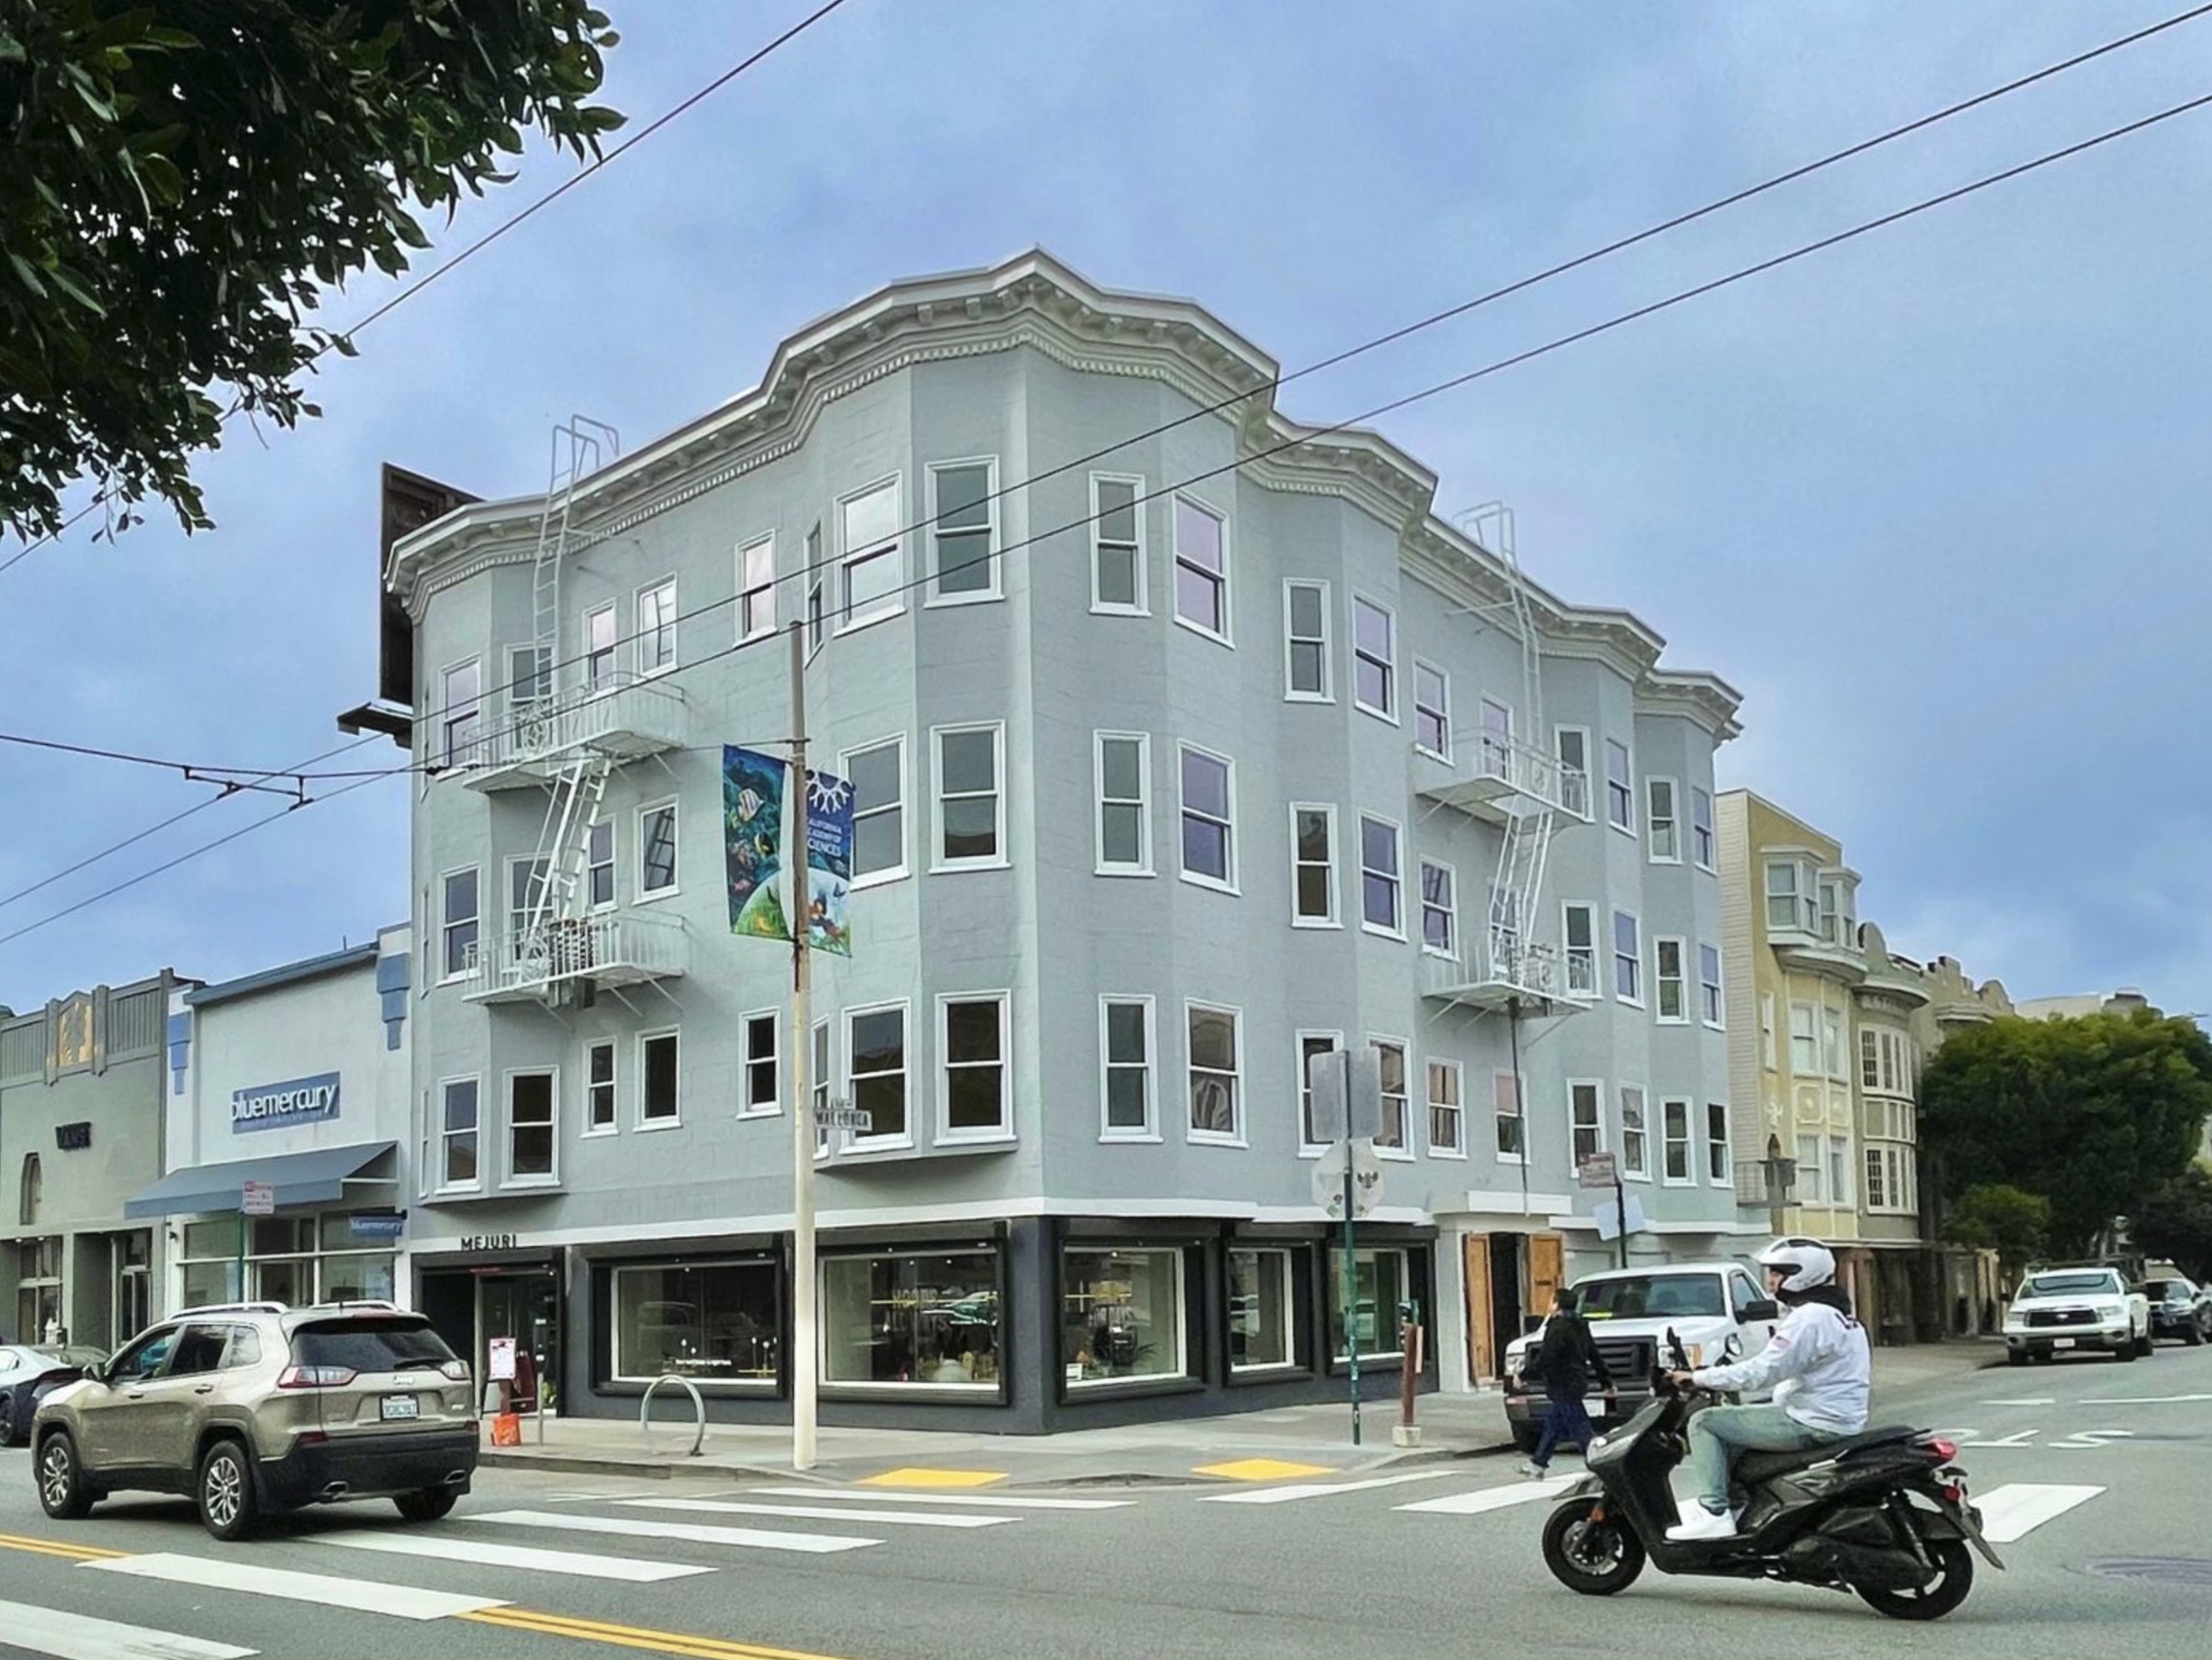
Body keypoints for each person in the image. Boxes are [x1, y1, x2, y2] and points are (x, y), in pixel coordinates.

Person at [1663, 1237, 1871, 1541]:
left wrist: (1699, 1378)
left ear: (1802, 1274)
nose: (1770, 1280)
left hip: (1812, 1422)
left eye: (1777, 1272)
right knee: (1732, 1419)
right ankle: (1738, 1504)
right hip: (1831, 1416)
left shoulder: (1810, 1318)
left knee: (1705, 1423)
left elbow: (1763, 1372)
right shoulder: (1836, 1313)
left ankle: (1715, 1512)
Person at [1516, 1286, 1617, 1478]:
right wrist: (1606, 1382)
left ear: (1557, 1304)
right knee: (1553, 1424)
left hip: (1562, 1383)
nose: (1549, 1304)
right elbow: (1594, 1355)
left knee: (1581, 1428)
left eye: (1551, 1300)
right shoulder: (1580, 1326)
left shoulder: (1558, 1328)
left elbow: (1546, 1357)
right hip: (1576, 1382)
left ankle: (1599, 1464)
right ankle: (1538, 1463)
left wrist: (1523, 1375)